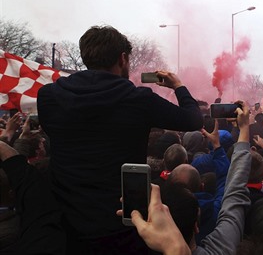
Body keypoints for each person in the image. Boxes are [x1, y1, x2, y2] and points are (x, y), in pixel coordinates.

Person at [37, 25, 203, 253]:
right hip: (122, 227)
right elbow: (194, 120)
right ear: (122, 58)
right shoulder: (138, 100)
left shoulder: (48, 97)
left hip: (65, 226)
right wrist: (178, 85)